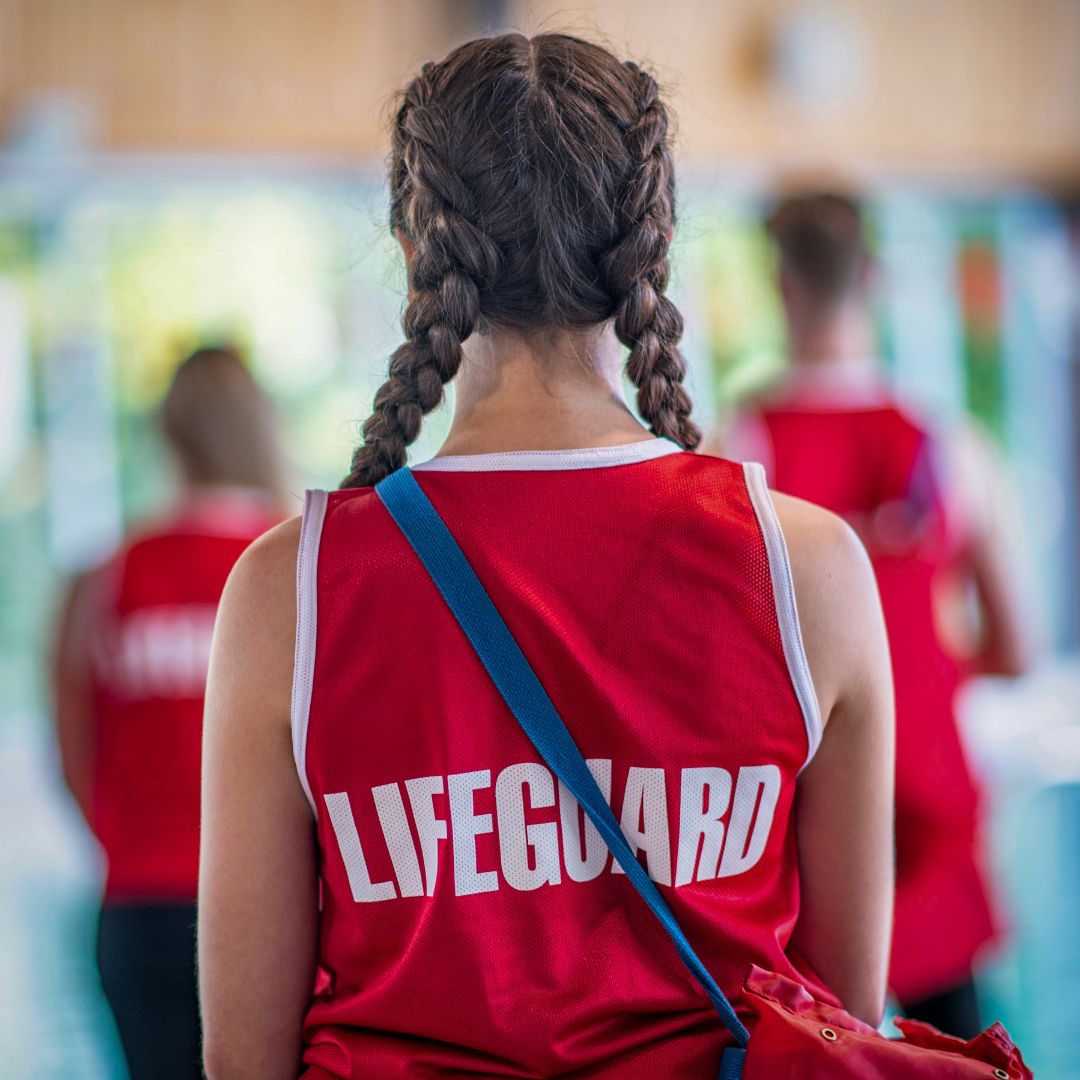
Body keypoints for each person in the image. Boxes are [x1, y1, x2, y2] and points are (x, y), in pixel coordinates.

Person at [198, 35, 894, 1079]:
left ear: (411, 243)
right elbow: (841, 1023)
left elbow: (244, 1061)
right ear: (651, 238)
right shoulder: (811, 570)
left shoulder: (286, 593)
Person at [720, 192, 1029, 1037]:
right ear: (876, 279)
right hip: (930, 802)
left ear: (779, 284)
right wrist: (916, 675)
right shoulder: (950, 445)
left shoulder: (741, 453)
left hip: (803, 813)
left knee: (822, 1040)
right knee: (962, 1045)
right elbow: (1017, 646)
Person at [52, 346, 285, 1080]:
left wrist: (134, 841)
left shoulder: (104, 578)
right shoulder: (298, 567)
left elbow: (73, 751)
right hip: (274, 915)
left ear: (169, 434)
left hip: (137, 908)